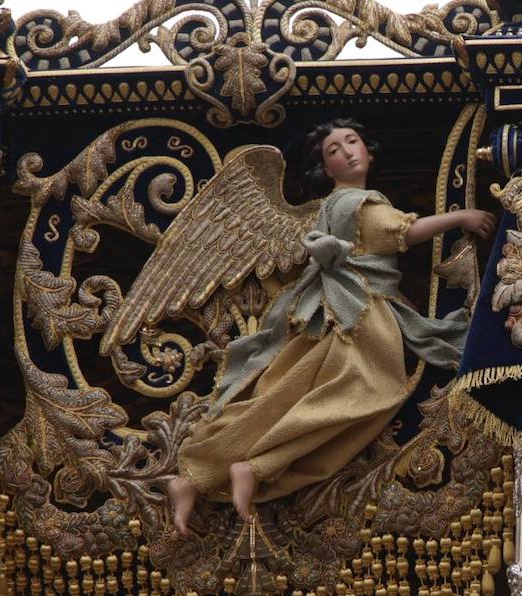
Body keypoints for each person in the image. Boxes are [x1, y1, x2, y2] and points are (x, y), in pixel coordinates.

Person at [166, 119, 495, 535]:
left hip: (335, 314)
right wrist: (459, 217)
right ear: (327, 169)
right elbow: (401, 233)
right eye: (334, 151)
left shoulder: (330, 208)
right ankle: (251, 466)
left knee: (280, 399)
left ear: (369, 150)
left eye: (353, 141)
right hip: (360, 317)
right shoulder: (355, 203)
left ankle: (196, 477)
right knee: (366, 390)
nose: (347, 152)